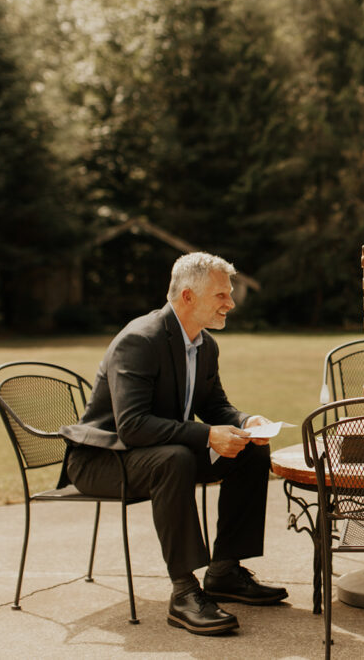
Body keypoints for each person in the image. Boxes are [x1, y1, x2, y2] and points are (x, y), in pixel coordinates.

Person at [59, 252, 287, 636]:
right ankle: (184, 592)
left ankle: (225, 571)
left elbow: (214, 406)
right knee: (175, 459)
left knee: (251, 449)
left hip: (156, 453)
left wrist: (246, 423)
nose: (230, 303)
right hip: (102, 461)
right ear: (187, 296)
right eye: (221, 295)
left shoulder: (205, 345)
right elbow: (131, 426)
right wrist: (206, 435)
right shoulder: (139, 340)